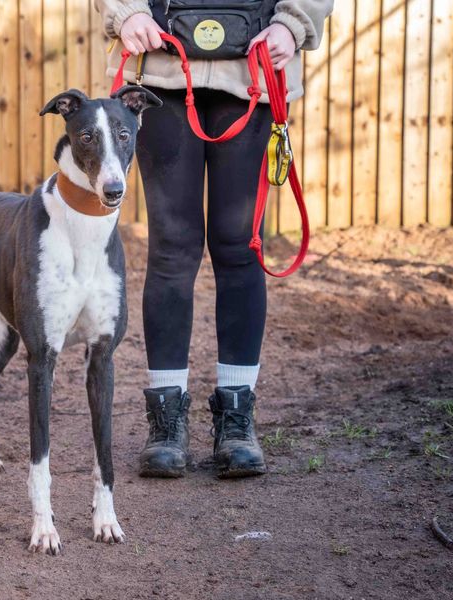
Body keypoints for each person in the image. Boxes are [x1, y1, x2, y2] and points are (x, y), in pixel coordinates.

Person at [94, 0, 334, 478]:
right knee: (171, 245)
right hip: (158, 72)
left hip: (254, 72)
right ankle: (166, 422)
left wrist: (294, 23)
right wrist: (128, 13)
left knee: (239, 244)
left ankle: (237, 418)